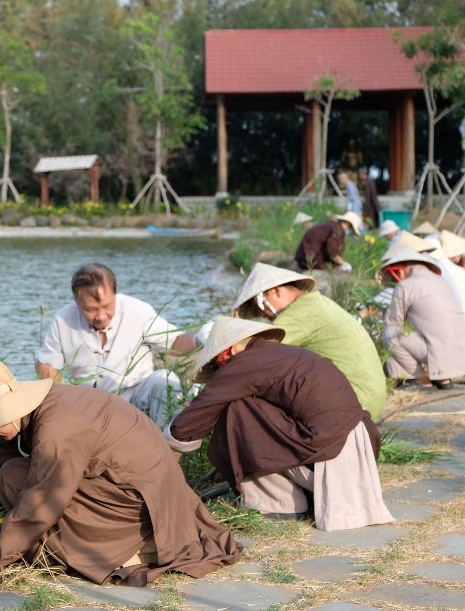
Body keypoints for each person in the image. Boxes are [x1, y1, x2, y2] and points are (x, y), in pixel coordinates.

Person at [0, 358, 242, 585]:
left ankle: (122, 549)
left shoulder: (58, 430)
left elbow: (39, 507)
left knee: (13, 478)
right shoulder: (36, 411)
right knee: (5, 469)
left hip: (144, 513)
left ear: (9, 408)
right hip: (135, 493)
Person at [169, 316, 394, 529]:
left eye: (218, 364)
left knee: (234, 407)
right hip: (355, 457)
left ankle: (276, 502)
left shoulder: (244, 362)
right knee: (244, 403)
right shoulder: (282, 354)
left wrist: (166, 459)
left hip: (329, 459)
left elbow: (195, 416)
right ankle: (291, 497)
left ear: (231, 349)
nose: (220, 370)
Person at [35, 263, 196, 427]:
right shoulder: (63, 320)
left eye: (107, 306)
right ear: (77, 302)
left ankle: (167, 440)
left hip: (136, 393)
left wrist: (201, 340)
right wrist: (63, 399)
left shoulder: (138, 311)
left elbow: (176, 343)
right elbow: (48, 365)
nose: (101, 316)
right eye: (91, 310)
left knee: (165, 380)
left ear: (115, 294)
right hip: (87, 402)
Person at [230, 263, 387, 420]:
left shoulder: (300, 313)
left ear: (275, 292)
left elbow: (254, 354)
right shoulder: (314, 303)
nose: (263, 314)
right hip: (368, 399)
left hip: (358, 405)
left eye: (260, 306)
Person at [380, 249, 465, 390]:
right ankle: (443, 378)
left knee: (390, 332)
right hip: (461, 352)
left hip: (439, 351)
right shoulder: (441, 281)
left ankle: (420, 379)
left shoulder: (407, 285)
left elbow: (393, 321)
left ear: (401, 271)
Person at [294, 211, 361, 272]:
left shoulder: (330, 226)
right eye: (351, 228)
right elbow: (333, 253)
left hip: (302, 259)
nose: (350, 230)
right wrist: (344, 264)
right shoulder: (336, 230)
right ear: (347, 223)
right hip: (310, 262)